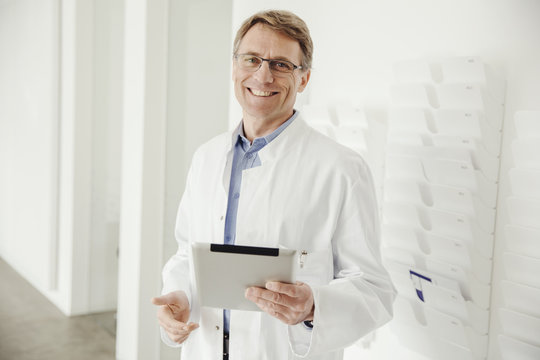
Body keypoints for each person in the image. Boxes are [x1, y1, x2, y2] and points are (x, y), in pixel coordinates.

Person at [151, 9, 396, 360]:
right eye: (251, 59)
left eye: (281, 64)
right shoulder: (205, 158)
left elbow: (375, 290)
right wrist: (180, 297)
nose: (263, 75)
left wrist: (313, 307)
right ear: (235, 67)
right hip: (204, 348)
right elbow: (185, 254)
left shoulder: (341, 168)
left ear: (304, 79)